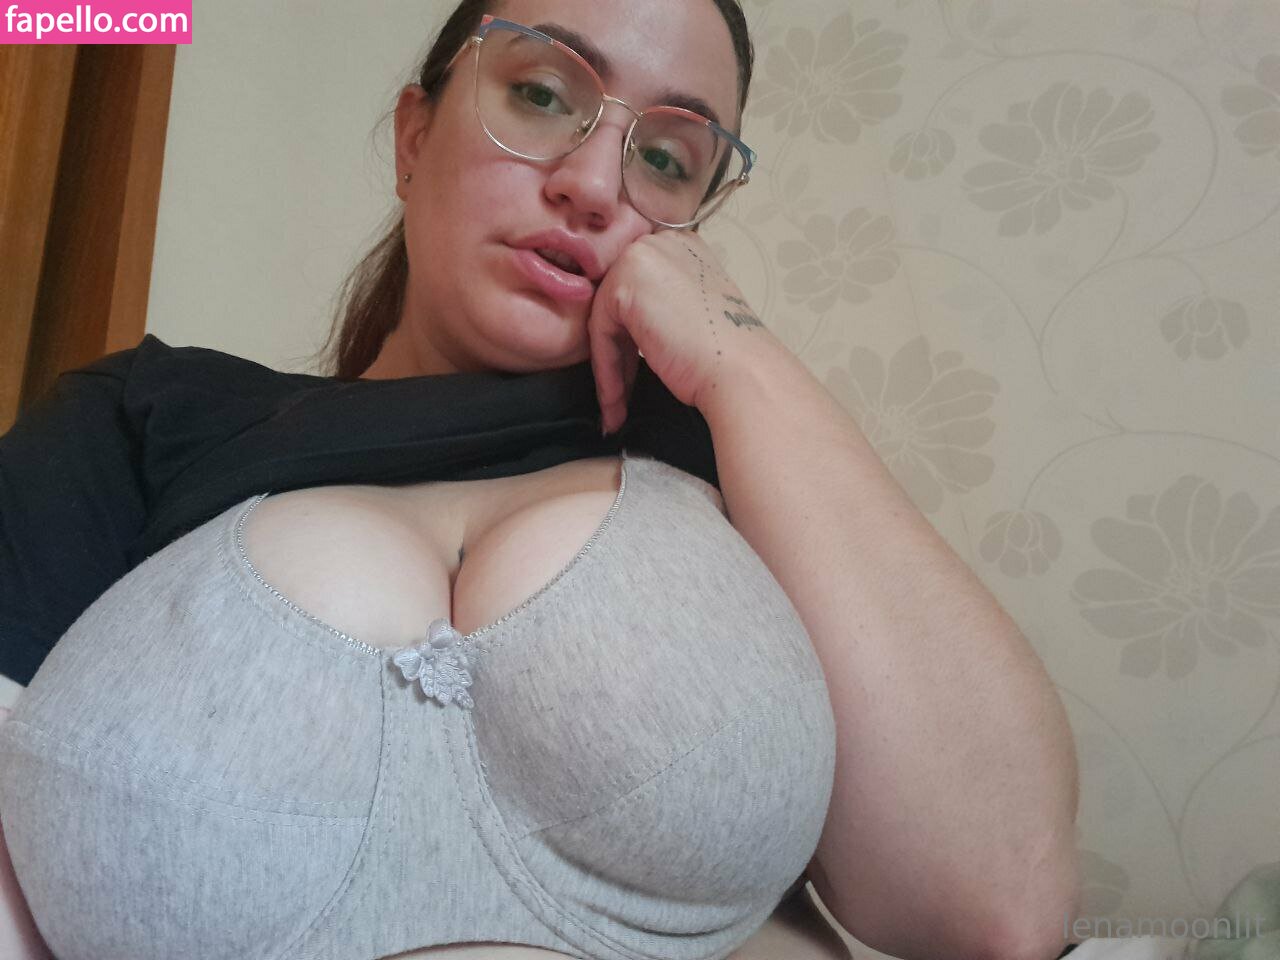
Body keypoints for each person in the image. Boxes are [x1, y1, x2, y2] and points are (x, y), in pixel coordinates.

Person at [0, 0, 1081, 958]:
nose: (594, 185)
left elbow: (993, 903)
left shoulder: (740, 455)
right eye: (542, 93)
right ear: (413, 138)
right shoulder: (143, 416)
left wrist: (737, 353)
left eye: (667, 159)